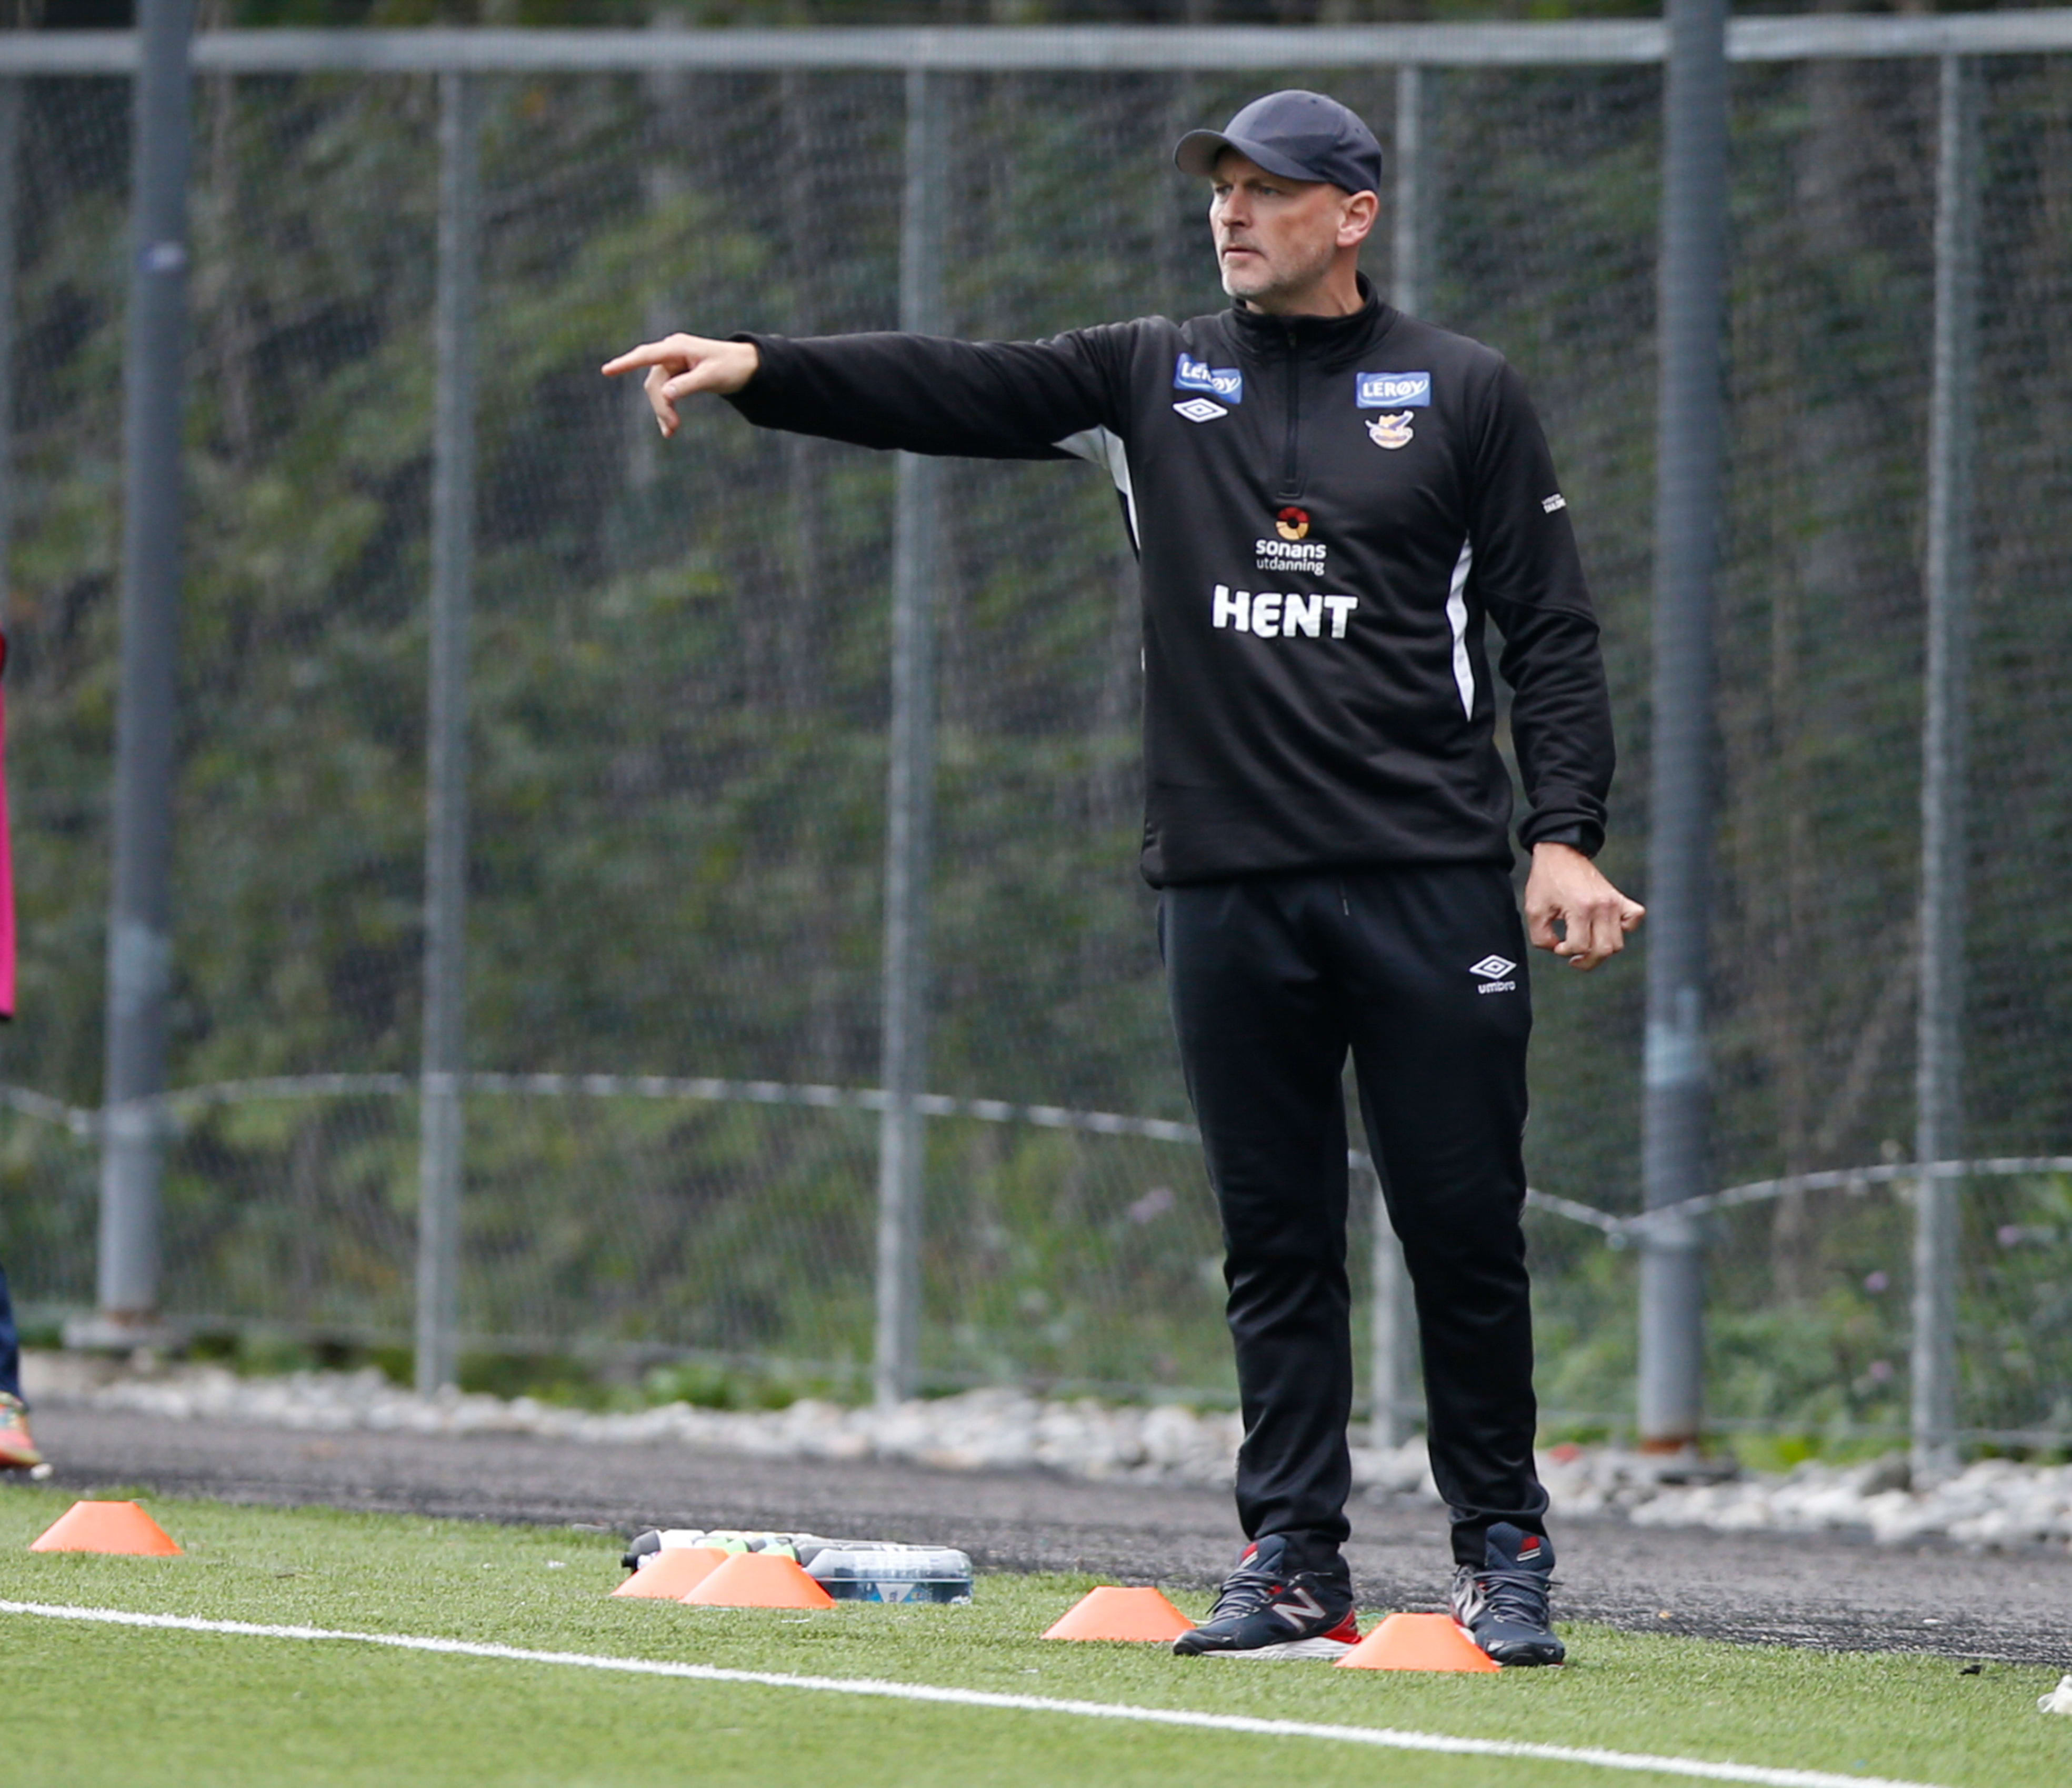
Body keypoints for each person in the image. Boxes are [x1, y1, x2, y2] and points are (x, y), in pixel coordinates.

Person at [603, 88, 1641, 1665]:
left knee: (1462, 1233)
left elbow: (1548, 630)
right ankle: (1292, 1564)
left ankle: (1504, 1557)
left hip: (1427, 882)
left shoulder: (1463, 391)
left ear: (1352, 215)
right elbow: (959, 386)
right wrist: (762, 367)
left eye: (1267, 189)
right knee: (1275, 1243)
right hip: (1226, 885)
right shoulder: (1151, 372)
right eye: (1220, 187)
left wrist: (1563, 832)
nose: (1232, 212)